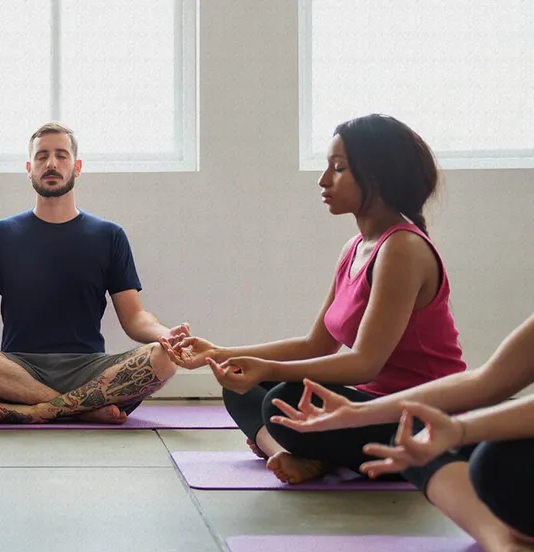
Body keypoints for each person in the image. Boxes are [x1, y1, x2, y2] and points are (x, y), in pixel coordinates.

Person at [164, 114, 465, 484]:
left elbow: (364, 364)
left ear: (377, 177)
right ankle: (294, 455)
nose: (324, 180)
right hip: (372, 406)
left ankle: (314, 452)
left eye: (338, 168)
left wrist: (268, 369)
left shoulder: (402, 248)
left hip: (420, 416)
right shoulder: (355, 248)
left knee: (281, 395)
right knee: (242, 386)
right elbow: (316, 344)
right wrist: (219, 354)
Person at [0, 122, 190, 425]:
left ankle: (38, 410)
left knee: (165, 358)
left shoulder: (109, 235)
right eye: (42, 156)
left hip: (89, 370)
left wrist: (165, 335)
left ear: (77, 167)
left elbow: (135, 318)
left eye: (61, 156)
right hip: (18, 370)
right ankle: (81, 409)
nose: (51, 164)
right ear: (29, 168)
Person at [269, 313, 534, 552]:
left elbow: (364, 363)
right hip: (393, 405)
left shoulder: (399, 256)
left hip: (439, 414)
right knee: (416, 443)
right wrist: (356, 413)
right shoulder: (349, 259)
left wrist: (461, 429)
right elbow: (485, 381)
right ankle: (503, 542)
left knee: (493, 462)